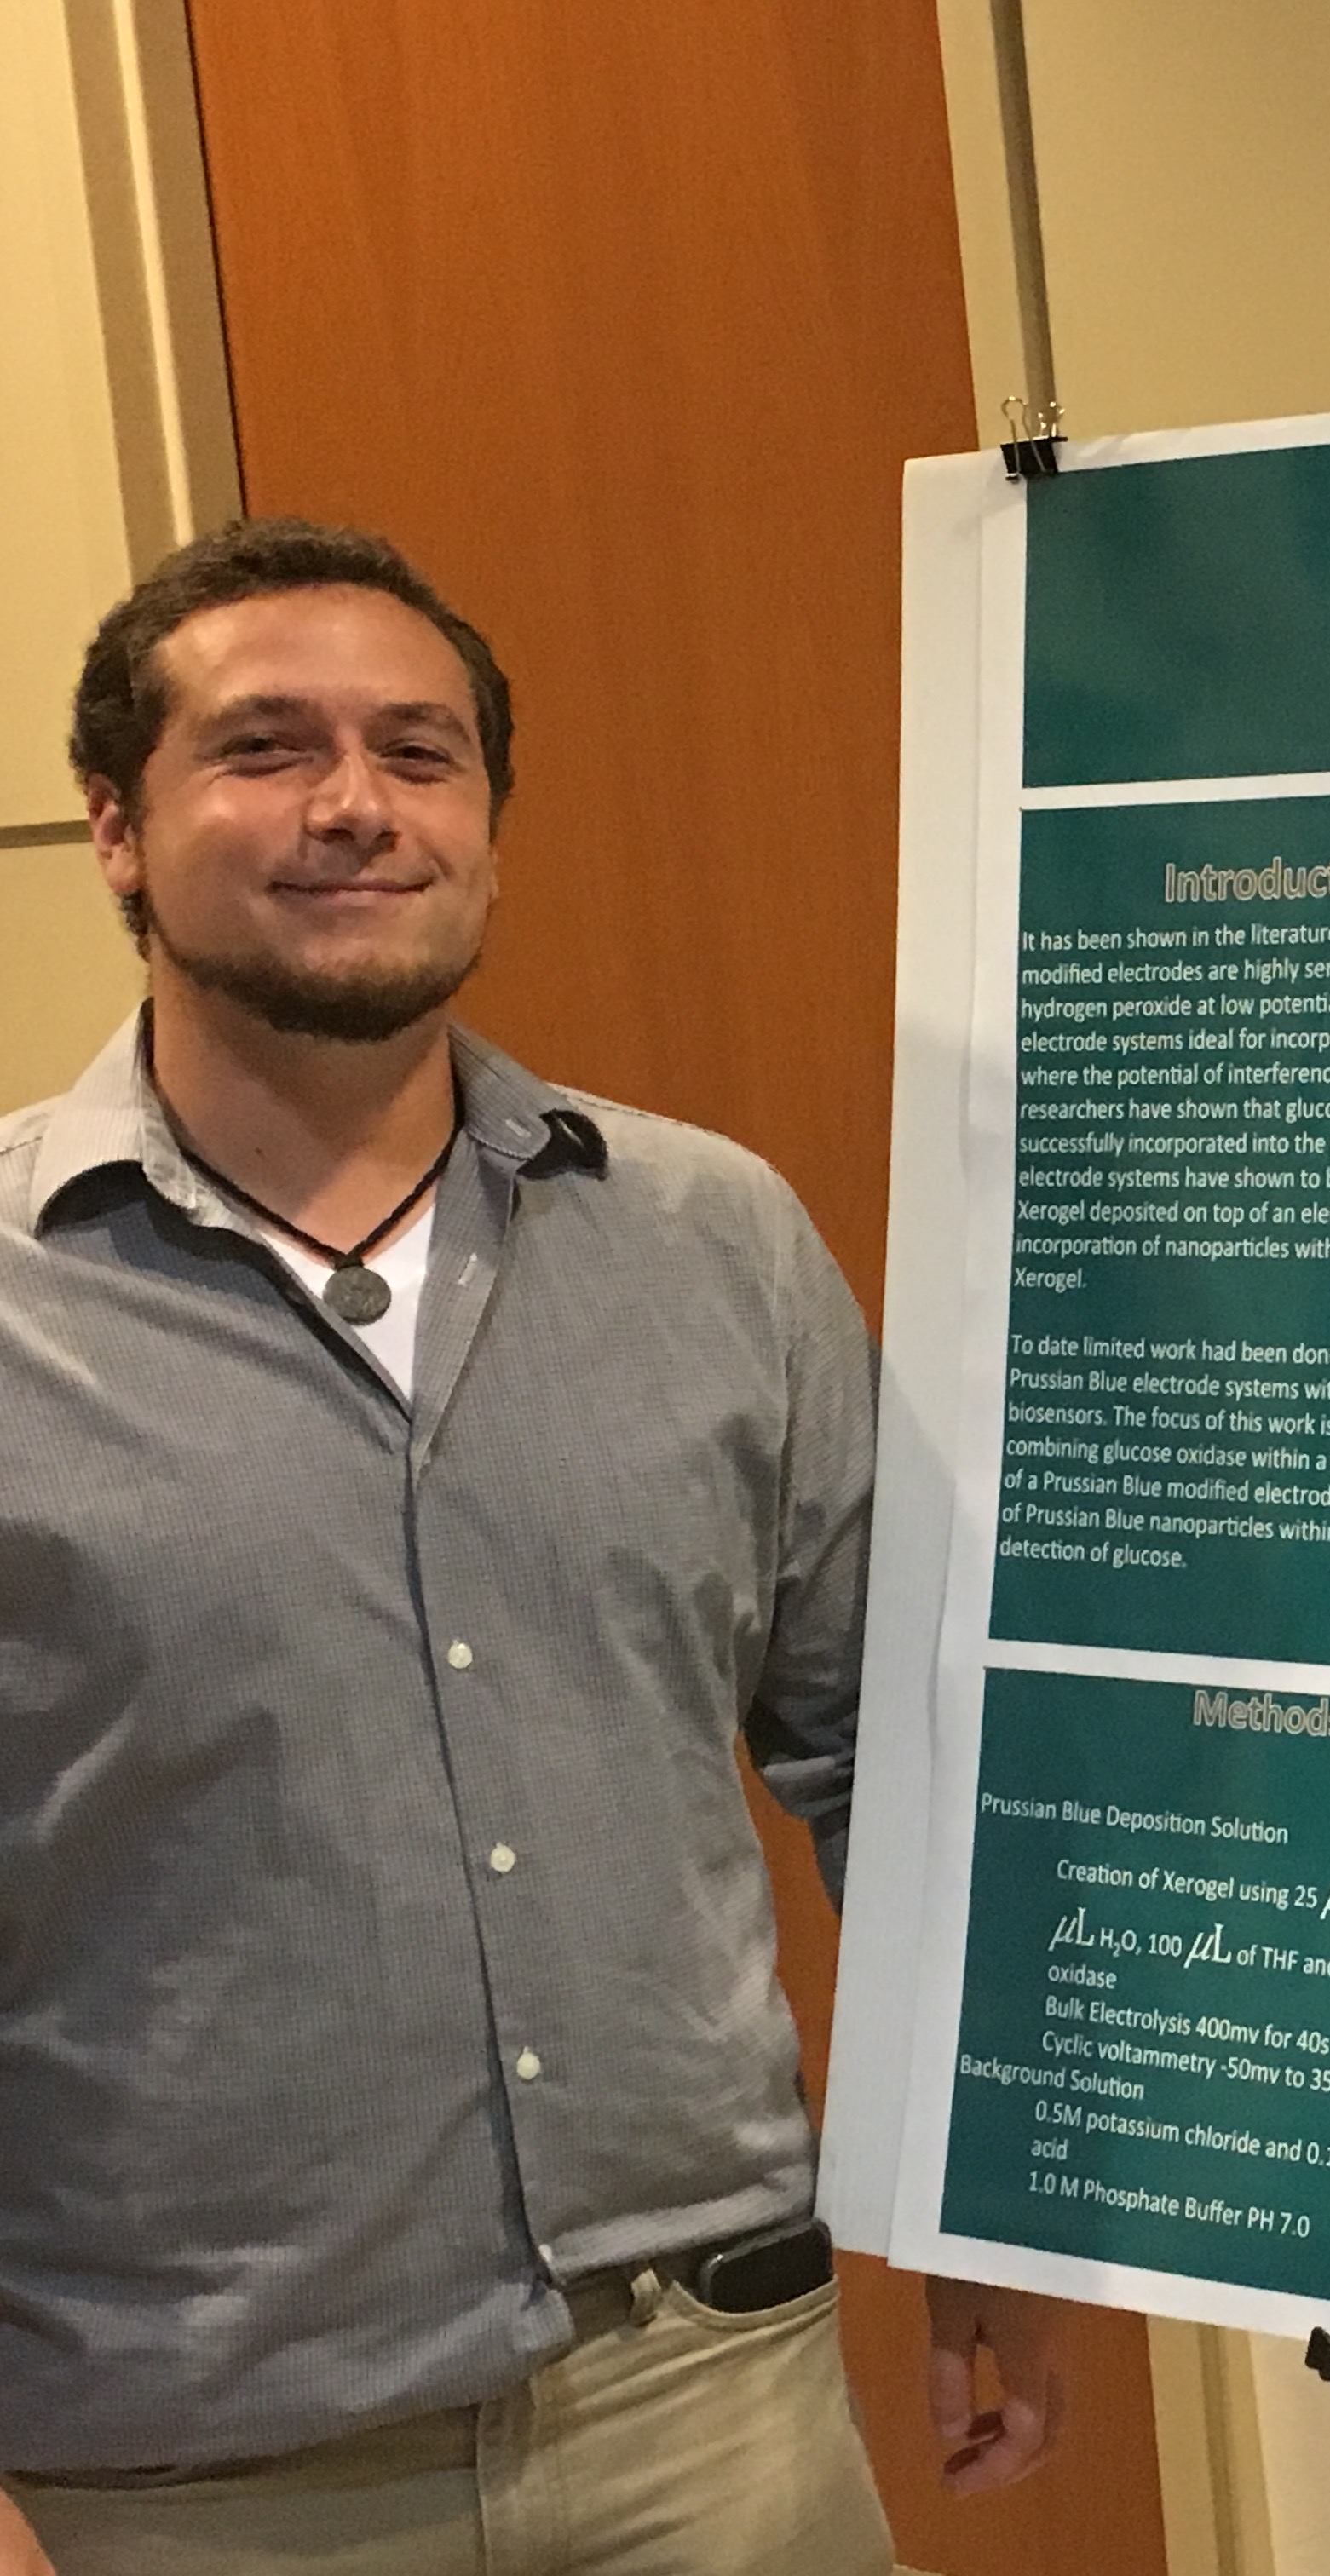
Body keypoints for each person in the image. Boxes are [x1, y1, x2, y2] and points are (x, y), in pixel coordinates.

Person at [0, 520, 1061, 2574]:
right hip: (185, 2481)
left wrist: (987, 2208)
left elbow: (900, 1768)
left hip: (713, 2416)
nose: (354, 805)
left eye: (421, 753)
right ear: (115, 826)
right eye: (266, 749)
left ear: (486, 823)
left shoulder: (709, 1239)